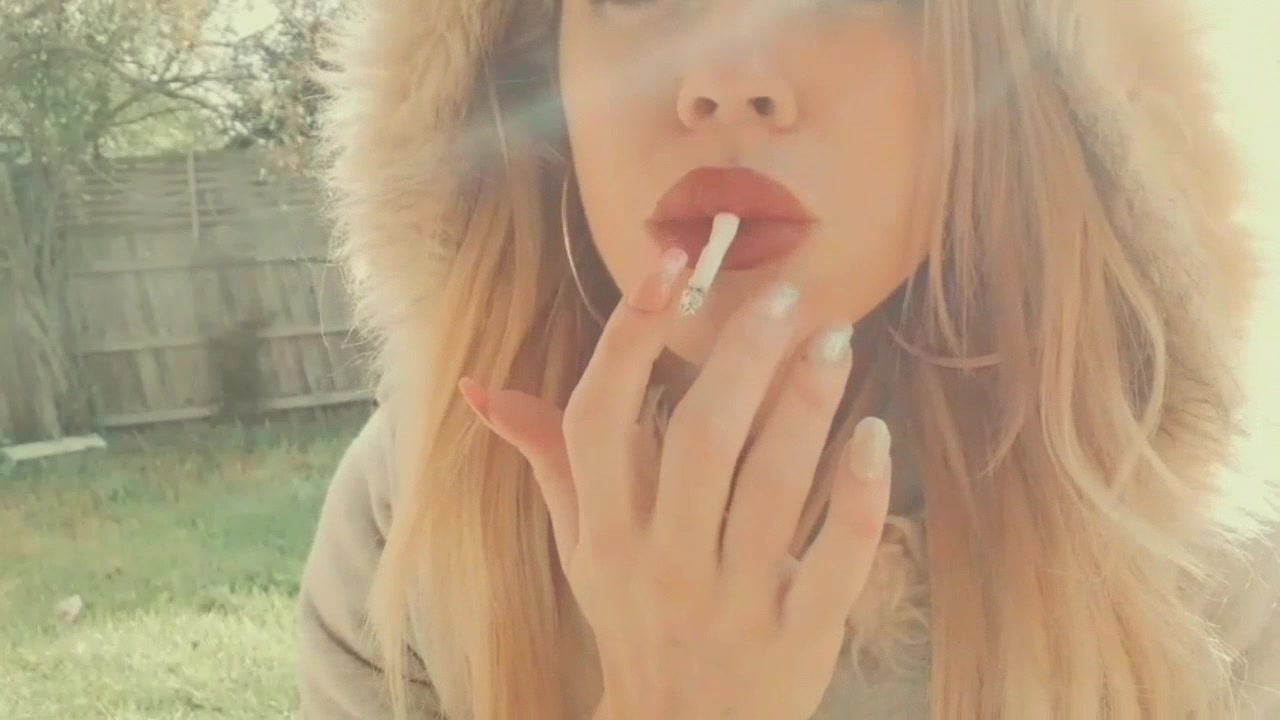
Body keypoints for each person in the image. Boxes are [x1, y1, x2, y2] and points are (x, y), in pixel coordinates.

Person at [296, 0, 1280, 718]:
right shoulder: (415, 515)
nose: (725, 79)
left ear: (1010, 83)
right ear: (532, 74)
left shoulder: (1185, 551)